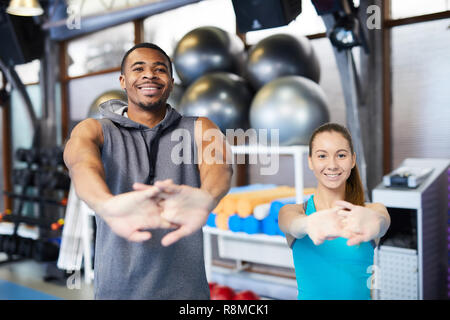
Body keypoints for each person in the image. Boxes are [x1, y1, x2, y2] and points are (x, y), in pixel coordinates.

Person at [63, 43, 233, 299]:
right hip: (116, 291)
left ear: (172, 82)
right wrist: (105, 204)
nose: (149, 75)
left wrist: (207, 197)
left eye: (159, 69)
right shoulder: (95, 129)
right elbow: (80, 163)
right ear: (123, 80)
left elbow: (220, 164)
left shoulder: (198, 127)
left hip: (187, 294)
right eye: (138, 68)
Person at [278, 122, 390, 300]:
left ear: (352, 160)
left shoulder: (369, 212)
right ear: (310, 161)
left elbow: (382, 220)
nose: (332, 165)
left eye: (341, 155)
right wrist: (308, 224)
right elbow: (289, 222)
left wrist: (378, 223)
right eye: (322, 156)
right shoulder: (295, 211)